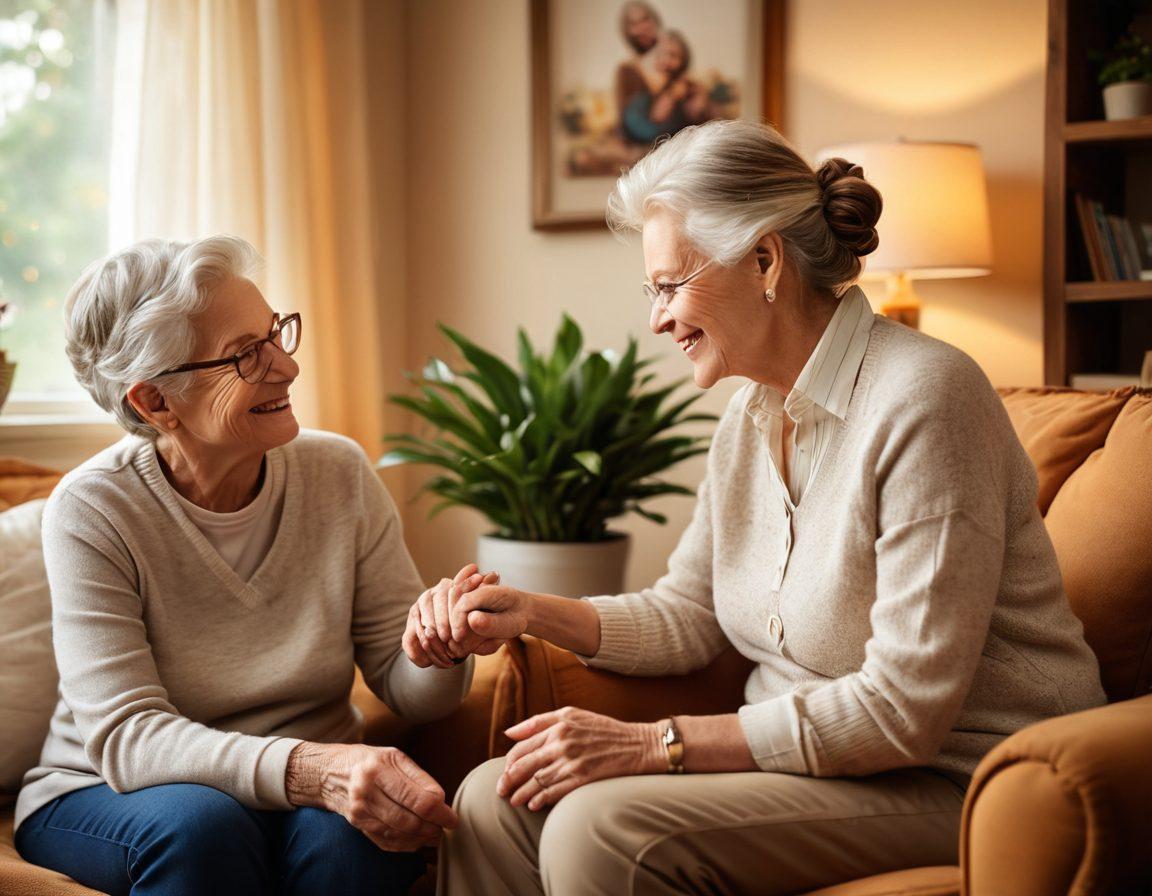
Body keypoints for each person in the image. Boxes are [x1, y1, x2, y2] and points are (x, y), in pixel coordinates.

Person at [420, 120, 1108, 895]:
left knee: (597, 828)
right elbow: (689, 615)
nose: (657, 319)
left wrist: (656, 745)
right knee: (492, 798)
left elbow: (904, 711)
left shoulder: (926, 399)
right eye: (652, 291)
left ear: (763, 259)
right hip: (814, 772)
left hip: (959, 780)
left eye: (671, 284)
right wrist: (532, 611)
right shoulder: (747, 419)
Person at [13, 235, 491, 896]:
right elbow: (127, 737)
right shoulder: (93, 509)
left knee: (358, 844)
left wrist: (438, 647)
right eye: (246, 354)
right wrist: (315, 770)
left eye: (276, 334)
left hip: (295, 783)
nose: (287, 368)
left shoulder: (339, 473)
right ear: (155, 403)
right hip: (107, 791)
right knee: (202, 826)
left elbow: (403, 684)